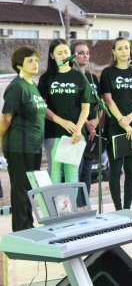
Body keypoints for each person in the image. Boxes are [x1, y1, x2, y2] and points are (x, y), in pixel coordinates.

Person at [0, 45, 47, 231]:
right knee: (20, 189)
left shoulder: (32, 86)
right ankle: (21, 229)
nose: (35, 63)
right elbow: (5, 119)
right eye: (30, 60)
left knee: (30, 188)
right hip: (18, 146)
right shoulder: (16, 87)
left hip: (34, 147)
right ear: (19, 65)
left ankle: (28, 224)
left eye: (36, 59)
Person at [38, 38, 94, 189]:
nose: (63, 55)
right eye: (59, 52)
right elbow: (41, 106)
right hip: (53, 131)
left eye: (66, 52)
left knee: (71, 172)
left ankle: (70, 211)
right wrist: (61, 121)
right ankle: (56, 211)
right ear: (52, 55)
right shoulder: (46, 78)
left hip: (75, 133)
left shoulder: (80, 77)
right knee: (55, 171)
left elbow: (85, 108)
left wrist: (78, 129)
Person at [100, 37, 132, 210]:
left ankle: (127, 208)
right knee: (115, 169)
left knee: (131, 170)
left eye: (126, 48)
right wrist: (122, 120)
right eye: (120, 48)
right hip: (115, 126)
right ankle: (118, 208)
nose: (124, 51)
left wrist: (130, 118)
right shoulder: (108, 73)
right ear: (113, 51)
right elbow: (108, 100)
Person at [70, 41, 101, 209]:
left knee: (88, 169)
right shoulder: (70, 77)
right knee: (77, 168)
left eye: (87, 53)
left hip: (92, 130)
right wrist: (84, 123)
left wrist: (95, 121)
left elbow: (99, 103)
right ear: (72, 55)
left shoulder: (93, 78)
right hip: (78, 128)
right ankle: (74, 205)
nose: (85, 56)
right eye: (81, 52)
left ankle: (84, 204)